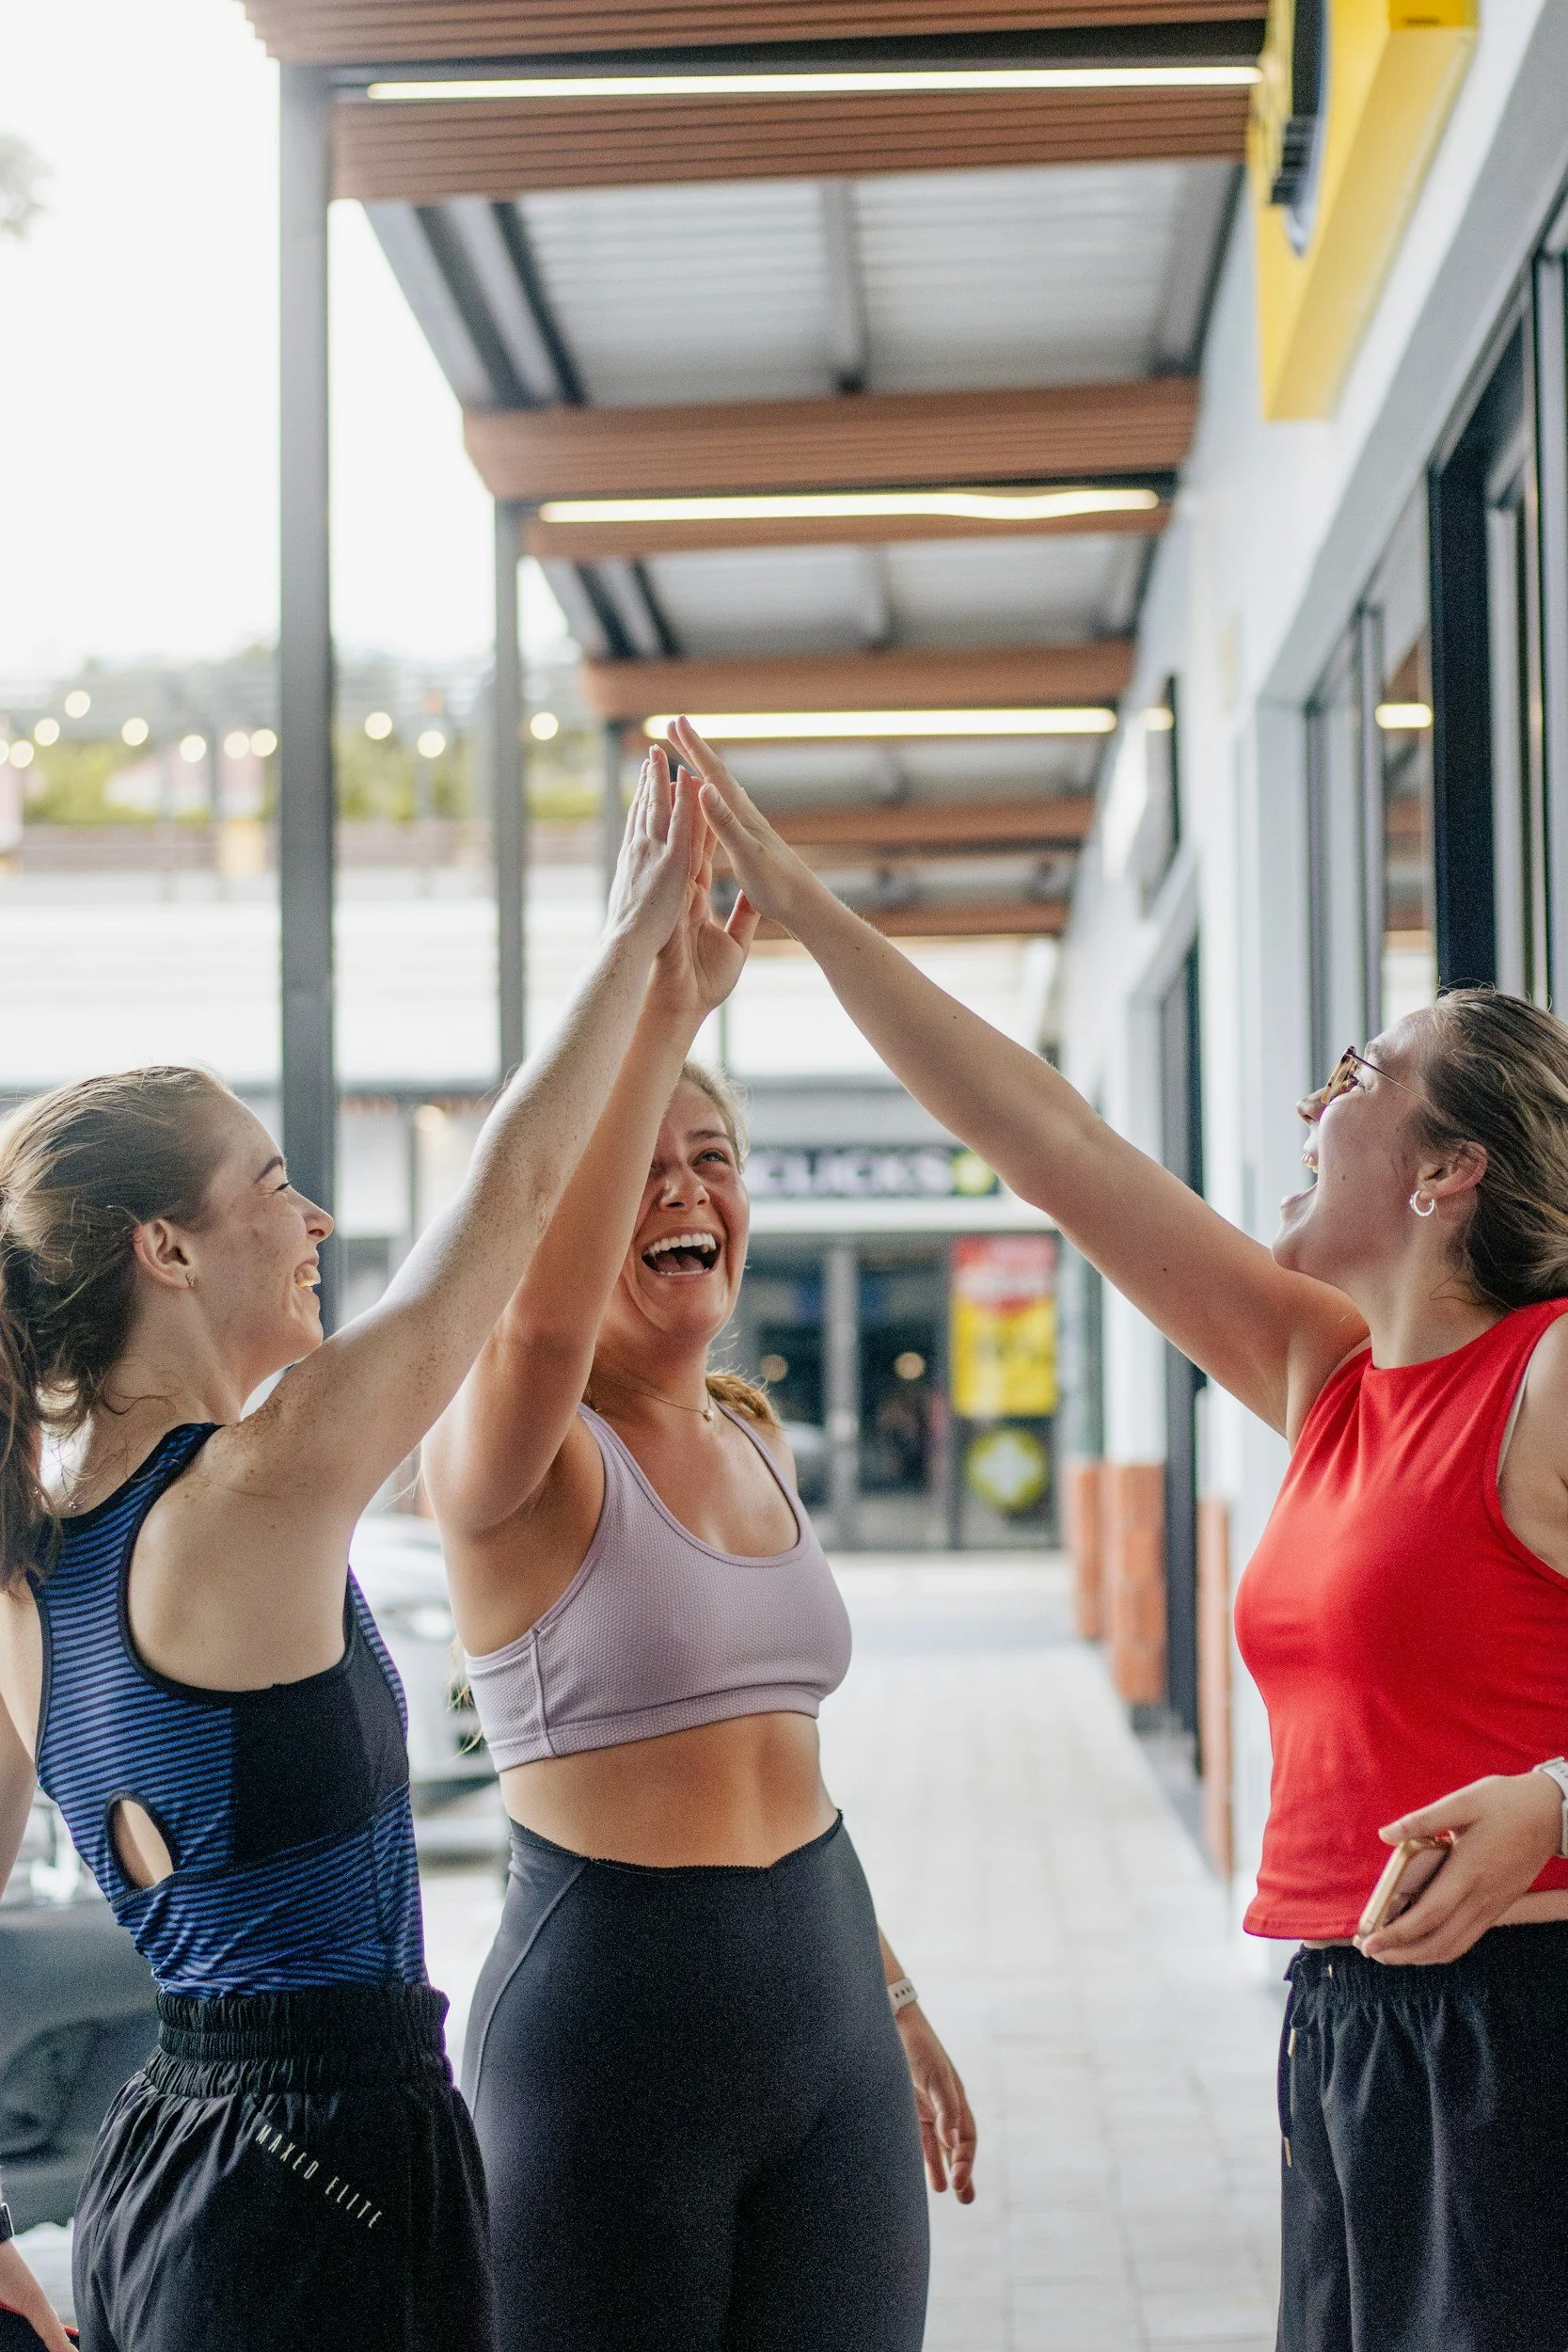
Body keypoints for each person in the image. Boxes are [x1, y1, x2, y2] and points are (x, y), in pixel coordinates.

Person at [679, 712, 1568, 2352]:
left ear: (1451, 1169)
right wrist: (798, 901)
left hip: (1529, 2023)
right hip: (1349, 2020)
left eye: (1361, 1075)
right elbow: (1052, 1144)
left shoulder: (1548, 1373)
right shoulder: (1331, 1374)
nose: (1315, 1095)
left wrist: (1553, 1796)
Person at [0, 760, 703, 2352]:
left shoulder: (32, 1572)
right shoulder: (254, 1489)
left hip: (164, 2167)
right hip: (318, 2172)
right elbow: (504, 1222)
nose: (313, 1220)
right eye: (271, 1188)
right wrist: (630, 954)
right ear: (162, 1250)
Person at [423, 781, 974, 2352]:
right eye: (641, 1166)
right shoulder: (512, 1459)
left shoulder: (753, 1440)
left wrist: (893, 1994)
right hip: (610, 2035)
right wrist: (655, 1002)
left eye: (712, 1157)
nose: (685, 1192)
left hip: (825, 2012)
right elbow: (533, 1321)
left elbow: (783, 1767)